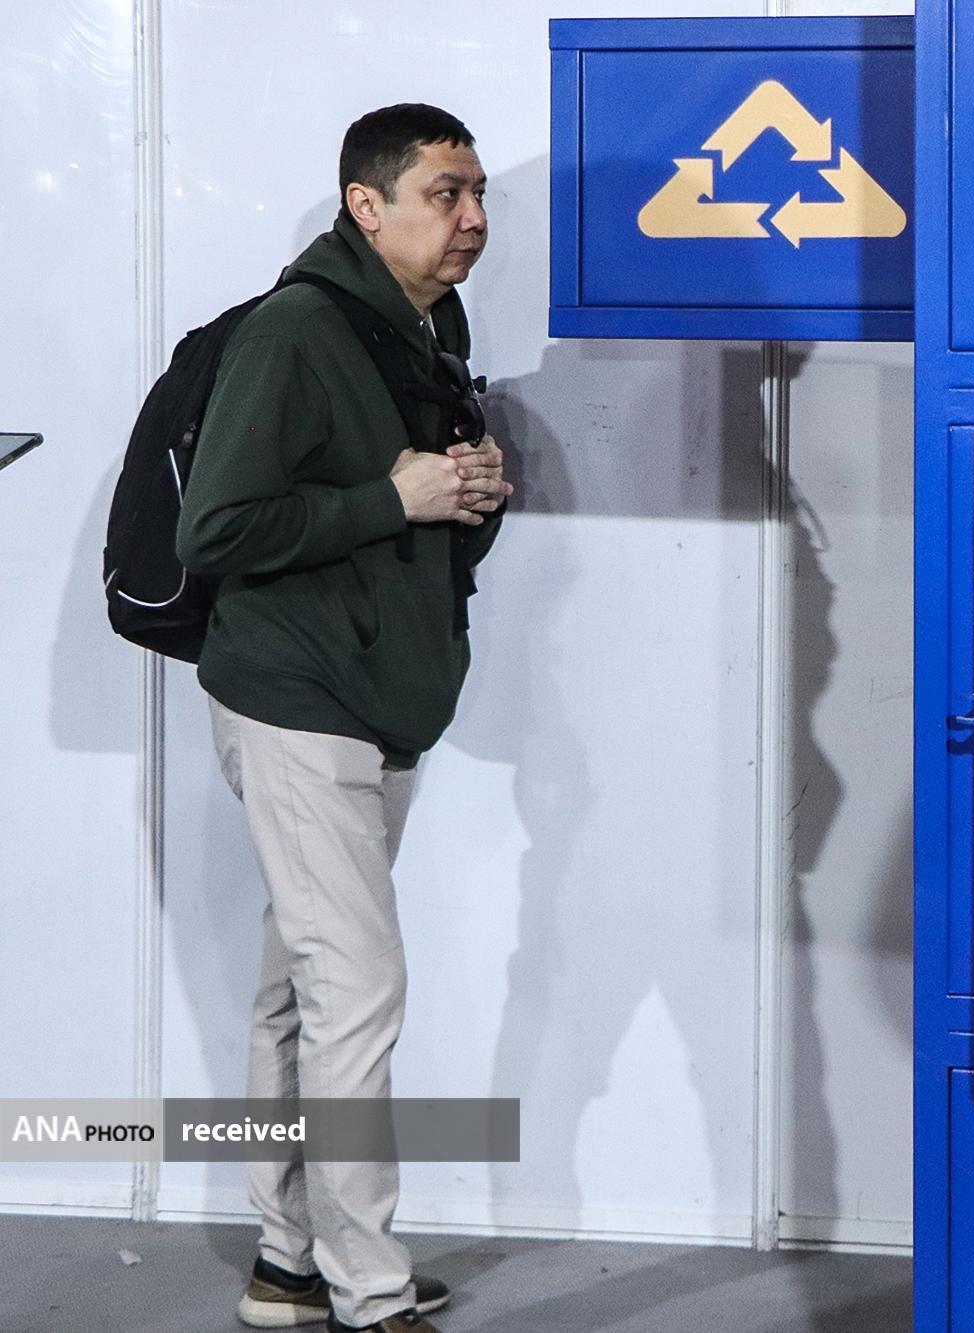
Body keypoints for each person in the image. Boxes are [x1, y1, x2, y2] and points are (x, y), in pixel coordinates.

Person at [176, 103, 511, 1333]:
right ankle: (369, 1292)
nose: (471, 218)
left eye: (478, 194)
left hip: (380, 698)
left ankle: (288, 1260)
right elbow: (215, 530)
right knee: (357, 992)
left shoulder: (425, 329)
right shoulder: (296, 332)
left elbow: (417, 522)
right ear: (366, 206)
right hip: (297, 697)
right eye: (443, 194)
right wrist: (390, 497)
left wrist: (470, 495)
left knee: (302, 990)